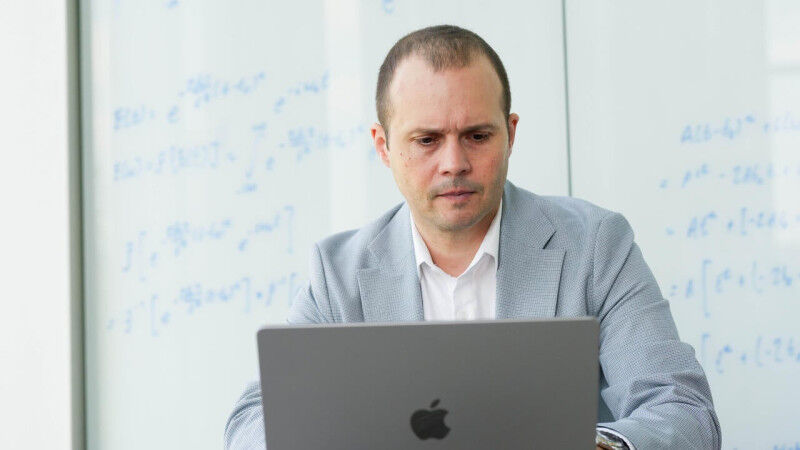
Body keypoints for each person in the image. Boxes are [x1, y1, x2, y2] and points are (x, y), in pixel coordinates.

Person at [224, 25, 721, 449]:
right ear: (383, 146)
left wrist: (596, 446)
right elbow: (251, 420)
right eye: (427, 140)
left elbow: (683, 408)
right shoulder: (338, 273)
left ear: (511, 134)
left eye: (477, 136)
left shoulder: (595, 246)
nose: (454, 162)